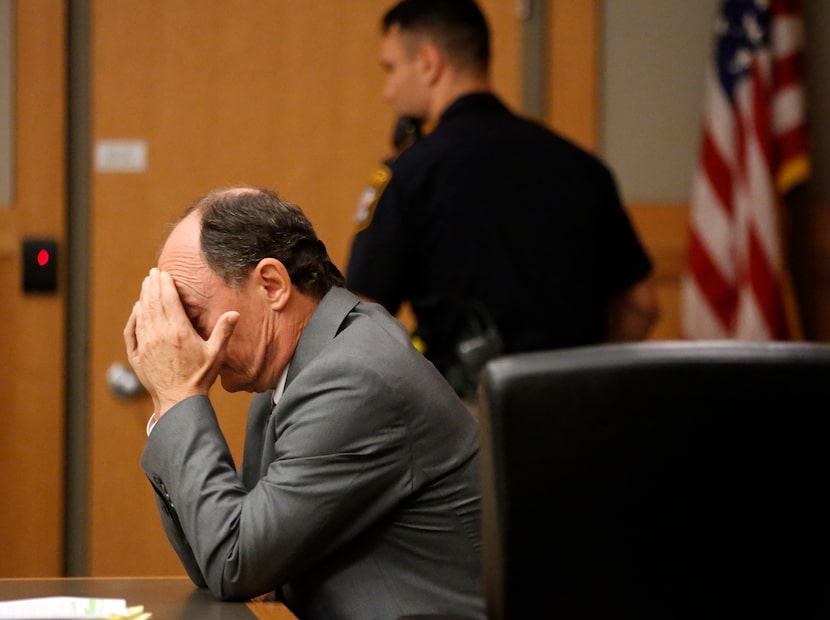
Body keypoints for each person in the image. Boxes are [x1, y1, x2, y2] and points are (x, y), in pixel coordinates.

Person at [123, 186, 485, 619]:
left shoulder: (354, 378)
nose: (184, 340)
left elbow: (234, 563)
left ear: (272, 285)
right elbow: (215, 557)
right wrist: (169, 405)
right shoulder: (298, 368)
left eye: (192, 315)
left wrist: (178, 395)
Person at [346, 0, 660, 398]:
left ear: (428, 62)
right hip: (580, 422)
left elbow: (362, 322)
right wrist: (582, 380)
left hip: (467, 426)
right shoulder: (582, 167)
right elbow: (642, 305)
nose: (388, 91)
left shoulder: (412, 173)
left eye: (391, 68)